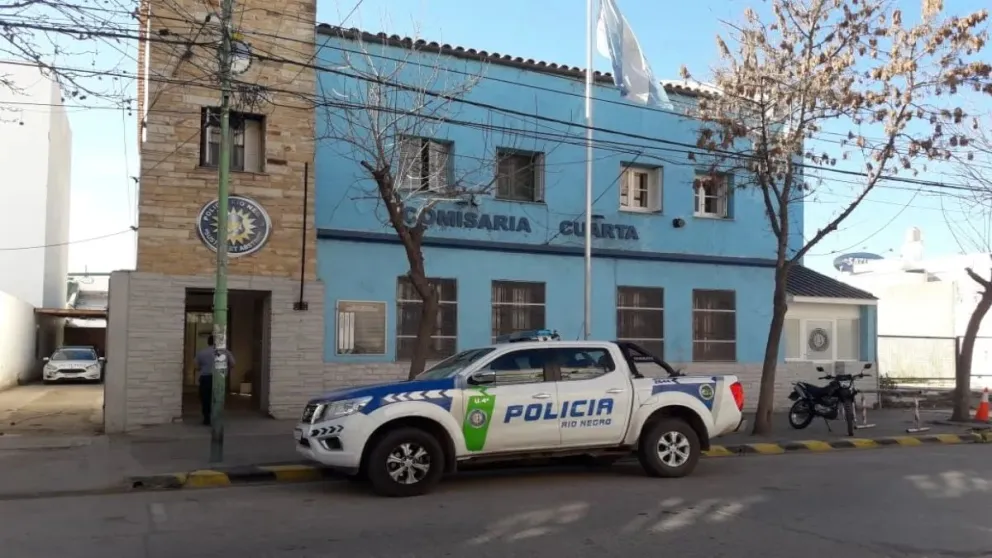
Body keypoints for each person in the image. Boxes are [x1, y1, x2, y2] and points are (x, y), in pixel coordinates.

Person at [194, 335, 236, 426]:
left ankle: (207, 418)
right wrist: (225, 369)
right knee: (217, 398)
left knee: (205, 398)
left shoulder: (201, 352)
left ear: (208, 342)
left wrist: (204, 367)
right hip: (219, 378)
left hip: (205, 378)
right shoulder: (225, 352)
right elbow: (233, 364)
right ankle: (216, 417)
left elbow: (196, 367)